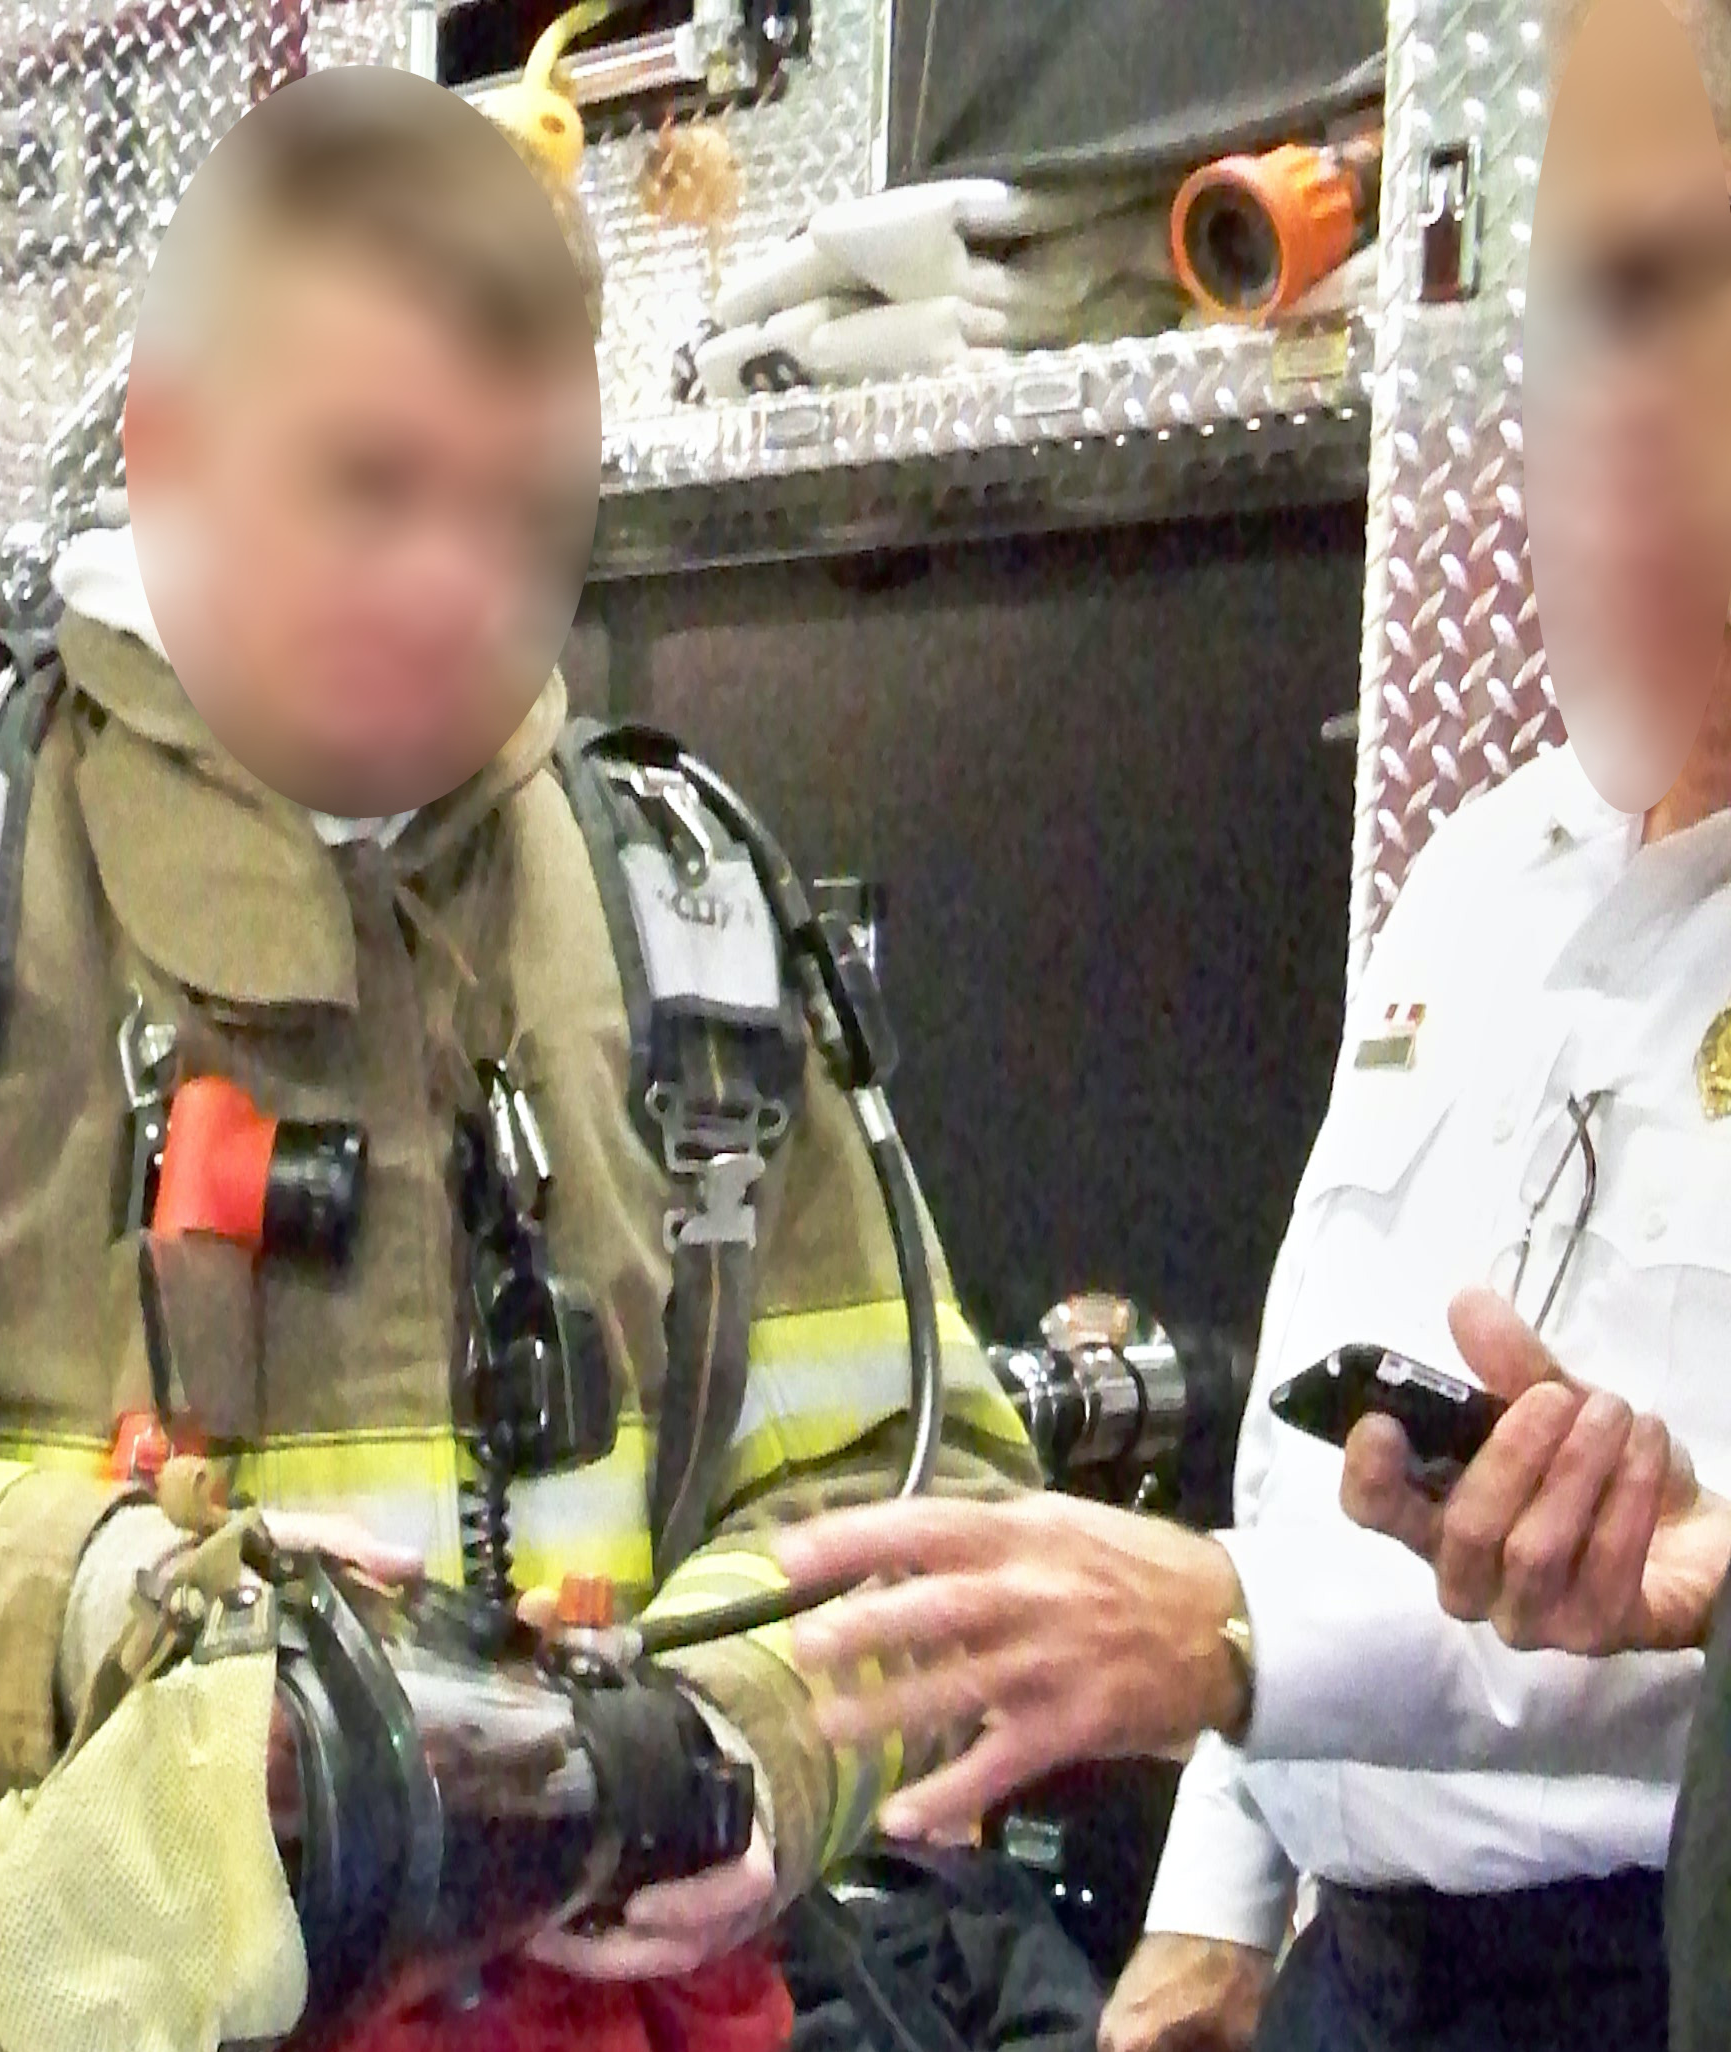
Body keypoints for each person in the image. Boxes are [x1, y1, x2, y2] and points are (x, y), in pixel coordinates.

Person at [0, 70, 1038, 2052]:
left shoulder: (678, 925)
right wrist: (104, 1608)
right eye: (374, 487)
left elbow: (936, 1497)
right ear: (169, 448)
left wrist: (753, 1747)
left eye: (530, 515)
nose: (462, 587)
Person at [768, 5, 1731, 2046]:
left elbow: (1650, 1623)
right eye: (1580, 316)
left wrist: (1224, 1637)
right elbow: (1319, 1454)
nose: (1610, 423)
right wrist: (1214, 1906)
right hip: (1358, 1974)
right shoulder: (1482, 877)